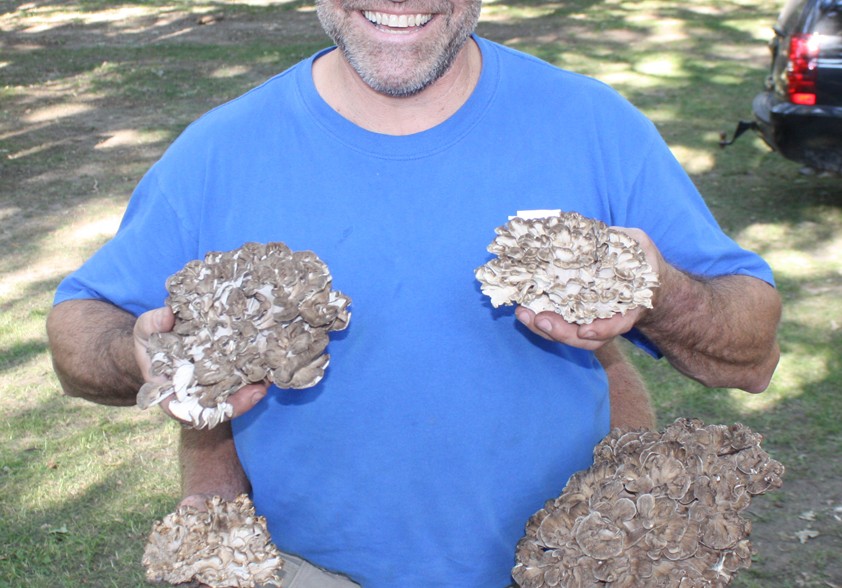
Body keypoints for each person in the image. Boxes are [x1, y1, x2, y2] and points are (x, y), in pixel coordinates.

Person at [46, 0, 782, 585]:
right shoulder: (219, 151)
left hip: (571, 558)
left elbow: (752, 356)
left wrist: (661, 293)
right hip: (304, 571)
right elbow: (76, 330)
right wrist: (139, 355)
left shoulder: (593, 126)